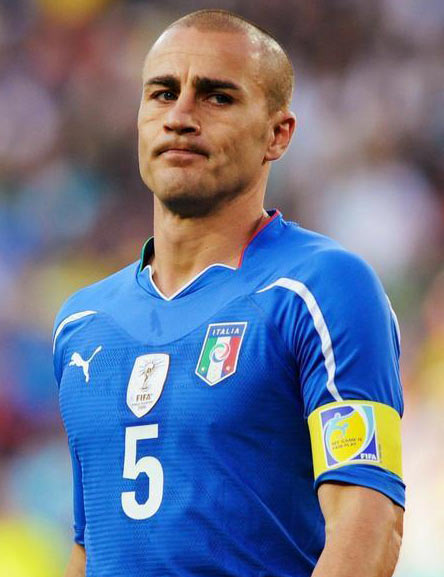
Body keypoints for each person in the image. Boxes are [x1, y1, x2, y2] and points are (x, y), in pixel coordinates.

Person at [53, 9, 404, 577]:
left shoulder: (322, 288)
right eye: (163, 94)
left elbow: (368, 521)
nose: (180, 117)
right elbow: (89, 546)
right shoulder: (81, 323)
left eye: (217, 97)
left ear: (277, 134)